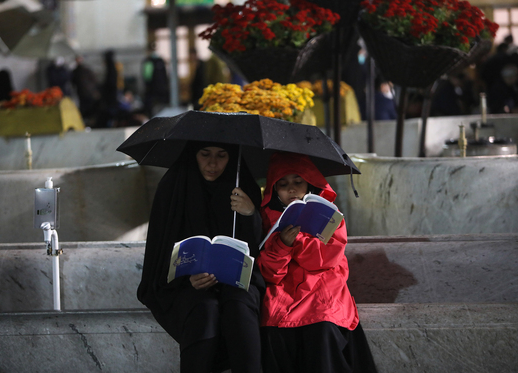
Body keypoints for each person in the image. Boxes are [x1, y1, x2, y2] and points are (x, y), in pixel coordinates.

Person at [137, 141, 265, 373]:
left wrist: (250, 214)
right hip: (184, 287)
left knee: (238, 306)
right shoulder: (174, 186)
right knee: (204, 311)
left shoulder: (243, 187)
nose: (212, 163)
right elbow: (159, 250)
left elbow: (259, 250)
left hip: (236, 284)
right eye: (205, 154)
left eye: (222, 155)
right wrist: (186, 278)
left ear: (232, 158)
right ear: (193, 155)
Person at [258, 152, 378, 373]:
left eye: (298, 182)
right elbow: (269, 272)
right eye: (283, 184)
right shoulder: (266, 219)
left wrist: (295, 241)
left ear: (309, 183)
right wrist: (281, 245)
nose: (291, 189)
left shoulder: (331, 215)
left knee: (322, 327)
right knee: (273, 329)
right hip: (283, 293)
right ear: (273, 189)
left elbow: (326, 258)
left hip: (322, 288)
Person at [71, 55, 100, 125]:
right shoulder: (77, 71)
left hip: (87, 94)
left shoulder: (85, 71)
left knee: (88, 110)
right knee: (86, 110)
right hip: (84, 94)